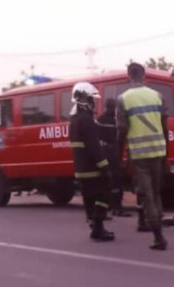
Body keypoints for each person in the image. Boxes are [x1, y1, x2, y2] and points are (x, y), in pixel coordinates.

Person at [117, 63, 168, 251]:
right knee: (156, 194)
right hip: (158, 152)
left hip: (139, 155)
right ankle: (158, 232)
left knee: (147, 196)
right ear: (144, 75)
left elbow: (121, 131)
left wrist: (118, 157)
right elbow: (165, 128)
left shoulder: (123, 99)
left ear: (129, 76)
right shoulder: (158, 96)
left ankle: (158, 237)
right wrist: (166, 156)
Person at [69, 82, 115, 242]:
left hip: (81, 169)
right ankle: (98, 227)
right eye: (91, 99)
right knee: (104, 193)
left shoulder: (74, 119)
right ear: (84, 99)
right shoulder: (86, 119)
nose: (93, 103)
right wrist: (105, 166)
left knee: (88, 198)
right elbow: (93, 146)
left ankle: (94, 227)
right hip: (92, 168)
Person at [97, 98, 132, 217]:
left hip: (107, 154)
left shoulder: (101, 120)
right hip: (111, 154)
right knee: (116, 181)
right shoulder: (111, 121)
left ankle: (110, 206)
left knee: (109, 181)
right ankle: (116, 207)